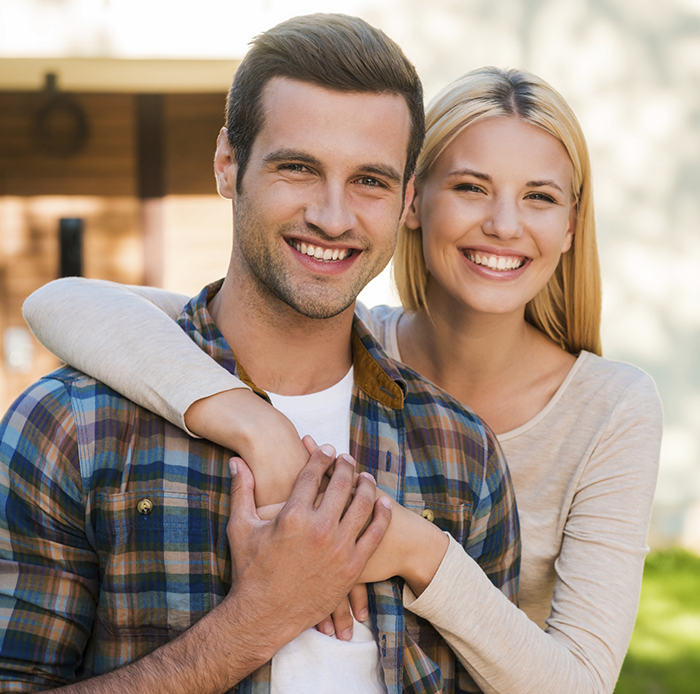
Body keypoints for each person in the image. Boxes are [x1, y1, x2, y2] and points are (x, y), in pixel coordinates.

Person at [24, 65, 663, 694]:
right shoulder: (351, 342)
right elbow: (67, 304)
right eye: (470, 187)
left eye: (540, 196)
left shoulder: (610, 408)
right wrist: (262, 430)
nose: (503, 223)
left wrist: (414, 548)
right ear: (416, 203)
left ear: (573, 223)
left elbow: (580, 683)